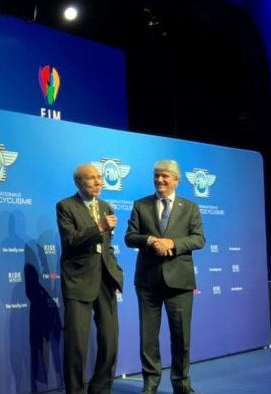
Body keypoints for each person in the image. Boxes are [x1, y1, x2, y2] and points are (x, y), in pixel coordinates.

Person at [125, 160, 204, 394]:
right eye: (157, 176)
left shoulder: (190, 207)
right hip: (148, 281)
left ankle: (181, 382)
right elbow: (130, 237)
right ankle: (150, 382)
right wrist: (149, 240)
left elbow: (199, 239)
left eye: (165, 176)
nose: (159, 180)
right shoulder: (140, 205)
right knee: (148, 337)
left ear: (176, 180)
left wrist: (174, 243)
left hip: (179, 281)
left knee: (181, 337)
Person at [56, 164, 124, 394]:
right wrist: (99, 227)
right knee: (77, 344)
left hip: (105, 280)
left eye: (100, 177)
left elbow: (107, 247)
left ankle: (100, 388)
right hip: (78, 281)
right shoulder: (66, 206)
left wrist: (116, 273)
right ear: (78, 183)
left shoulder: (106, 206)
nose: (98, 182)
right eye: (91, 178)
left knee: (110, 341)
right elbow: (71, 241)